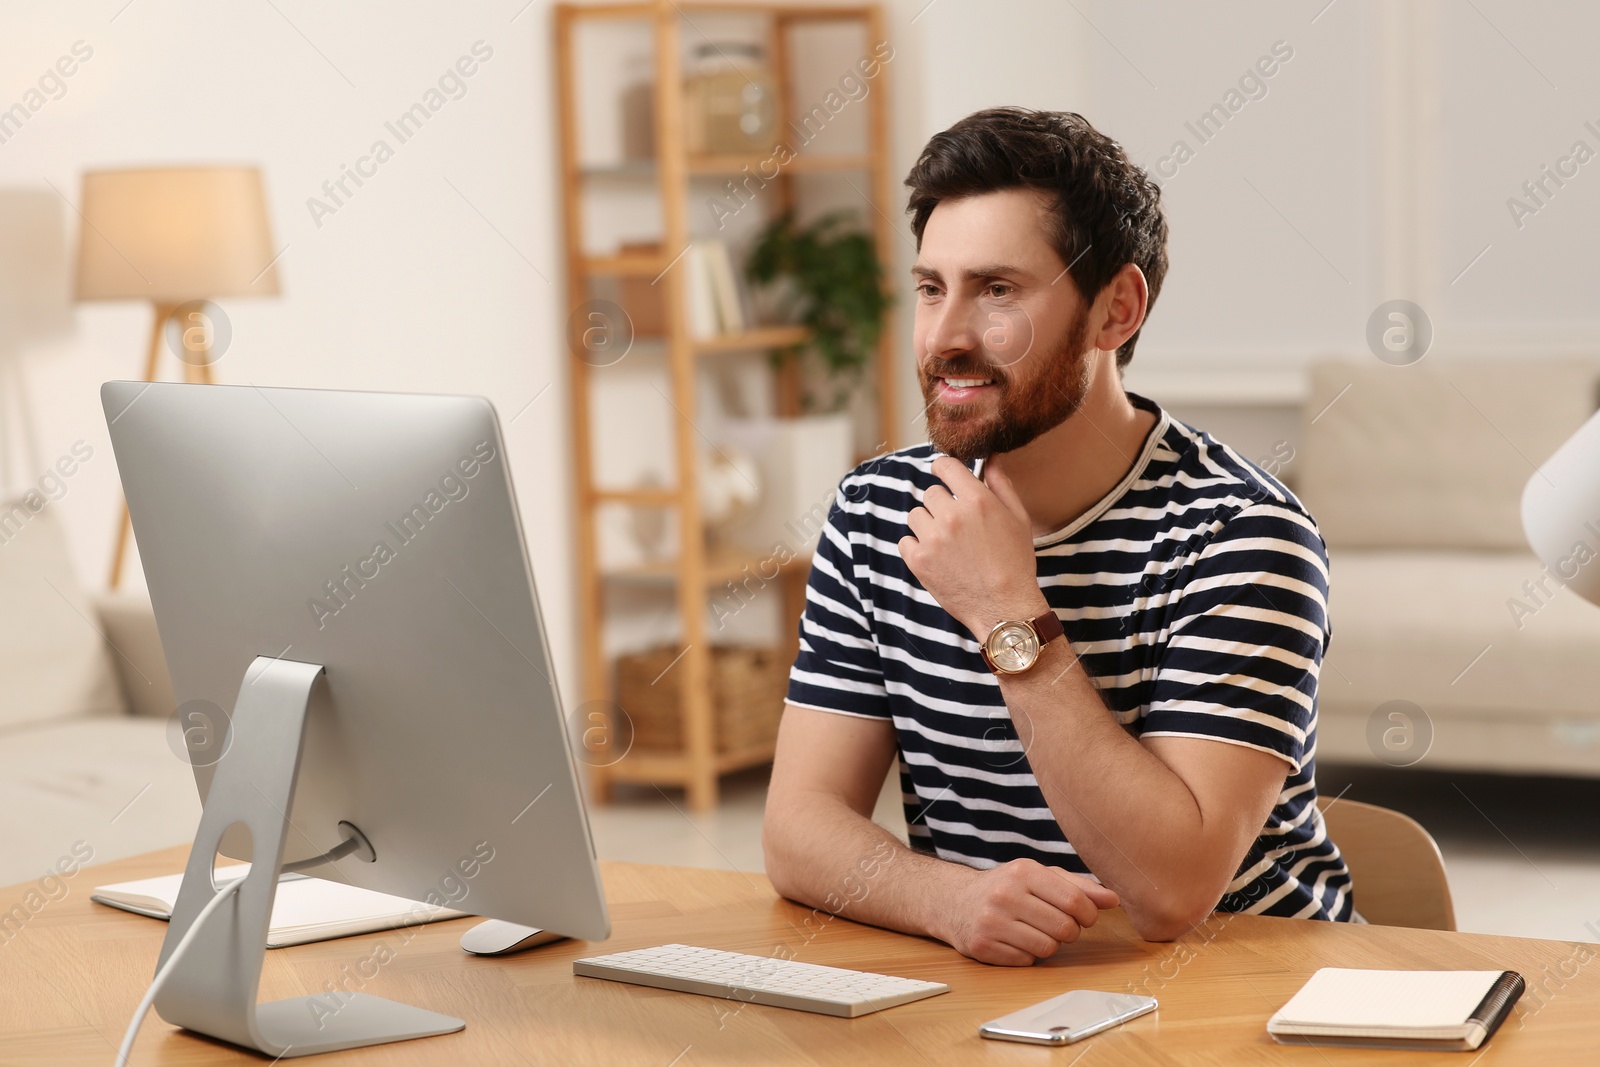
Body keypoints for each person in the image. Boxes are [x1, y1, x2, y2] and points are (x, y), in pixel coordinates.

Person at [763, 107, 1352, 967]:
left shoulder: (1244, 535)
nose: (946, 336)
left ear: (1117, 309)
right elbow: (797, 828)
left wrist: (1008, 611)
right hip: (1008, 987)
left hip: (1249, 990)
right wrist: (952, 899)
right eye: (932, 288)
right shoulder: (877, 511)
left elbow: (1170, 891)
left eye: (997, 290)